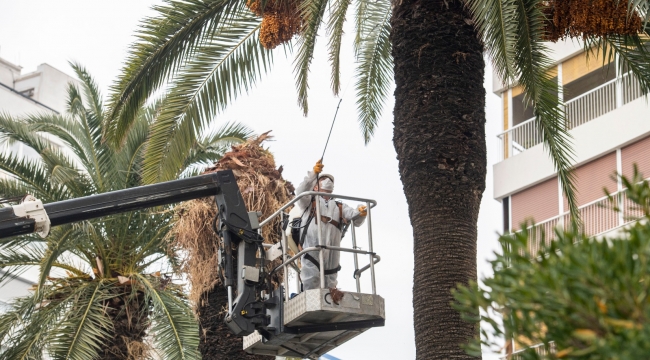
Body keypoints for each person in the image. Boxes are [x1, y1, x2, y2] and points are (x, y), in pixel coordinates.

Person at [294, 159, 367, 290]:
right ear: (315, 186)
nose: (327, 181)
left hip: (332, 250)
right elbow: (300, 192)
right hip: (312, 248)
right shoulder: (309, 201)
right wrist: (313, 174)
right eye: (323, 179)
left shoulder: (339, 206)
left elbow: (354, 218)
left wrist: (361, 212)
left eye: (330, 180)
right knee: (312, 278)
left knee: (331, 281)